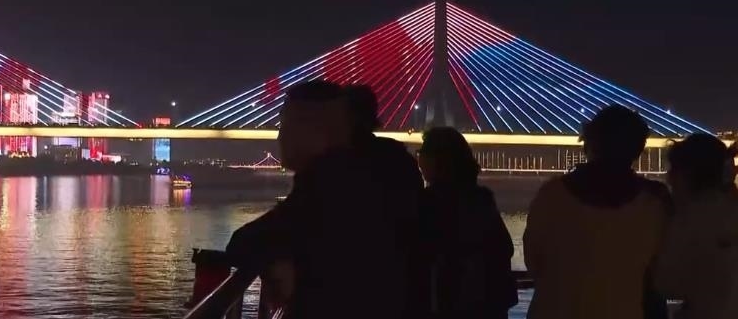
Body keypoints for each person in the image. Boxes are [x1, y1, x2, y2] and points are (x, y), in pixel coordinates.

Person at [225, 81, 421, 319]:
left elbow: (245, 243)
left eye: (285, 125)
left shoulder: (330, 179)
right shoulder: (391, 162)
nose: (279, 136)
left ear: (313, 129)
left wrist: (279, 261)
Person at [523, 105, 672, 319]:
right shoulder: (653, 203)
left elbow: (534, 262)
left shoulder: (552, 195)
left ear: (589, 142)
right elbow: (663, 273)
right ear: (637, 150)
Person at [416, 127, 517, 319]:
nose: (419, 160)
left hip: (446, 304)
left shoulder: (427, 203)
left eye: (421, 153)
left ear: (438, 160)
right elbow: (504, 248)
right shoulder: (482, 200)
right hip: (487, 306)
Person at [654, 134, 738, 319]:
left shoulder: (685, 221)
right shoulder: (731, 210)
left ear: (684, 175)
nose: (668, 179)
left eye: (672, 171)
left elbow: (667, 285)